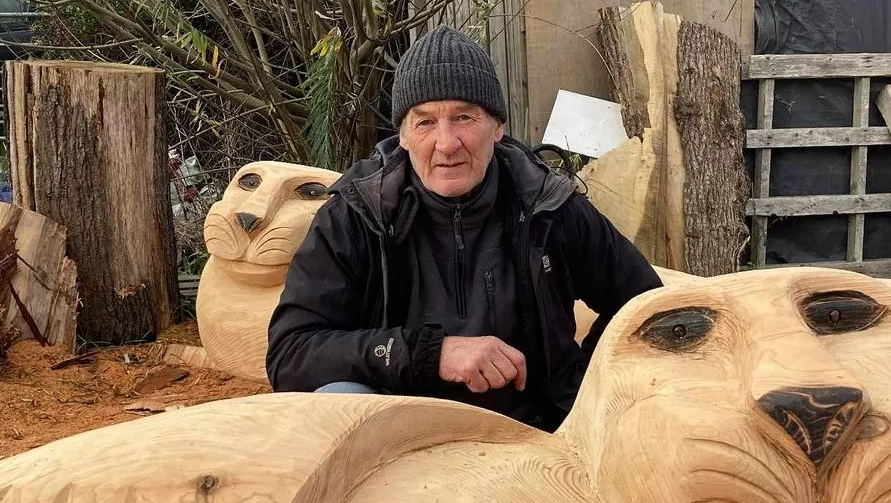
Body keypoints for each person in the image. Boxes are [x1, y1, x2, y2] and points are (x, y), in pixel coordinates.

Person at [265, 24, 662, 432]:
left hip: (538, 434)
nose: (447, 143)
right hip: (398, 438)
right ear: (403, 136)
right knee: (339, 400)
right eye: (425, 122)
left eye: (464, 118)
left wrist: (586, 386)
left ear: (497, 127)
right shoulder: (357, 216)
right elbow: (290, 354)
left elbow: (647, 304)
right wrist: (430, 354)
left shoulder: (549, 207)